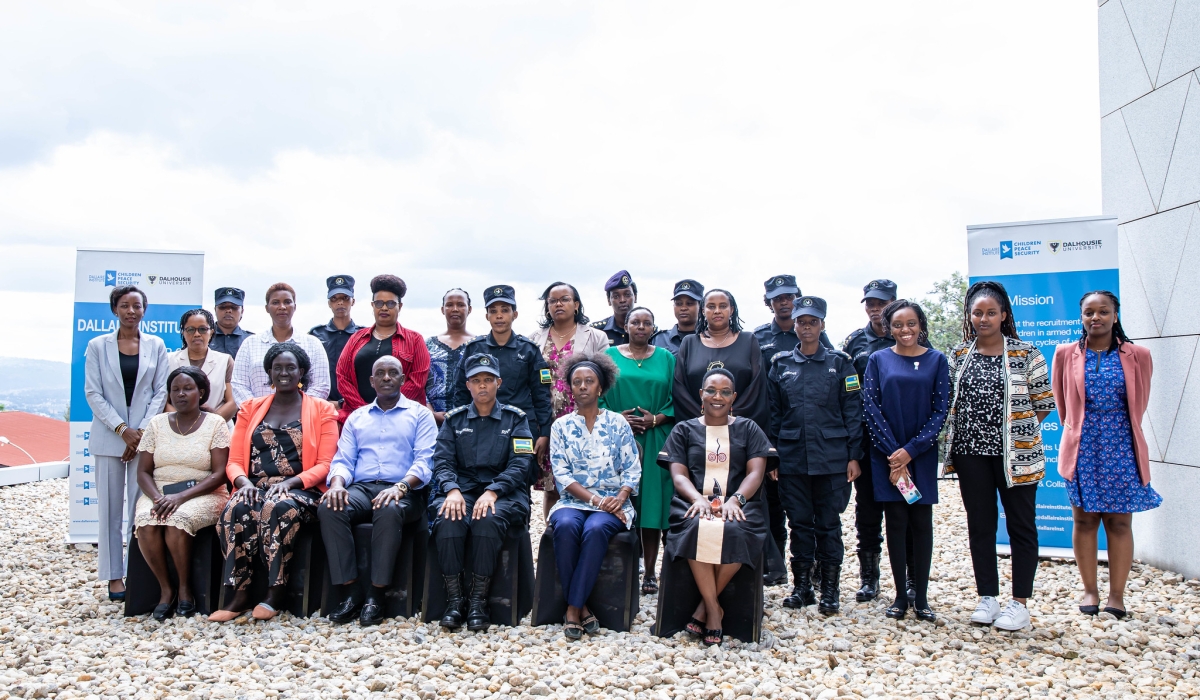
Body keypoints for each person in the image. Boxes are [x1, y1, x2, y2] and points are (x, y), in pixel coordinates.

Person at [943, 281, 1055, 632]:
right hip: (970, 454)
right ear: (970, 316)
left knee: (1022, 526)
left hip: (1017, 457)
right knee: (981, 525)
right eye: (978, 313)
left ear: (1004, 315)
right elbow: (949, 404)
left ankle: (1019, 603)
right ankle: (987, 597)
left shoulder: (1027, 353)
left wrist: (1014, 433)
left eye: (991, 312)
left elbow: (1044, 403)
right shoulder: (959, 355)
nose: (984, 318)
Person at [210, 342, 339, 622]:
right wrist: (243, 483)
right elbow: (234, 461)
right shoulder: (250, 409)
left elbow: (326, 464)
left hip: (301, 489)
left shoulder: (322, 410)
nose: (284, 372)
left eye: (290, 367)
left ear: (301, 371)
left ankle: (275, 591)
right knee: (236, 510)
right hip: (255, 485)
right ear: (269, 373)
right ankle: (240, 592)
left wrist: (291, 483)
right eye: (277, 368)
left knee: (277, 507)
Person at [1052, 291, 1158, 619]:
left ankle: (1117, 596)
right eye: (1088, 312)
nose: (1095, 317)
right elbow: (1062, 404)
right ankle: (1089, 590)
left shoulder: (1138, 355)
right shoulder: (1065, 354)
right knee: (1084, 520)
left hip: (1122, 446)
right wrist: (1077, 432)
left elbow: (1140, 401)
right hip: (1082, 447)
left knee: (1119, 522)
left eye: (1103, 311)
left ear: (1115, 315)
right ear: (1081, 317)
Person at [659, 368, 774, 647]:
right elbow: (678, 475)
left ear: (734, 397)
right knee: (697, 527)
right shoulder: (684, 429)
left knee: (738, 530)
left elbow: (756, 474)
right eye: (711, 390)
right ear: (701, 395)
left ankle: (704, 608)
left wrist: (736, 500)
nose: (717, 397)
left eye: (724, 392)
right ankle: (713, 610)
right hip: (693, 502)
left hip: (741, 503)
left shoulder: (748, 428)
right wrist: (697, 499)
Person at [319, 356, 436, 626]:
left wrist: (401, 486)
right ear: (371, 381)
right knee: (329, 506)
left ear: (403, 379)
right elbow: (344, 460)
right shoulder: (357, 417)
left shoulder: (420, 415)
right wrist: (336, 484)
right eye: (380, 373)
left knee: (388, 506)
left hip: (406, 490)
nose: (386, 377)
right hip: (362, 488)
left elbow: (425, 461)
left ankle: (376, 595)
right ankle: (351, 592)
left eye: (392, 373)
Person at [767, 296, 862, 616]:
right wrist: (773, 458)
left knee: (828, 524)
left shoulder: (840, 363)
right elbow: (774, 416)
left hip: (832, 459)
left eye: (812, 322)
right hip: (792, 458)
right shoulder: (780, 364)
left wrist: (854, 455)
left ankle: (830, 590)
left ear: (822, 325)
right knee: (799, 524)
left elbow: (852, 412)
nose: (806, 327)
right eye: (801, 322)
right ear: (793, 325)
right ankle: (802, 587)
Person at [431, 353, 535, 631]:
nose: (482, 386)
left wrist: (493, 491)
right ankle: (455, 601)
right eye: (476, 380)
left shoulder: (516, 419)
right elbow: (442, 462)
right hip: (462, 490)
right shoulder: (454, 420)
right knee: (449, 519)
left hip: (504, 493)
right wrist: (451, 490)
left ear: (498, 382)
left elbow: (520, 464)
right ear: (468, 385)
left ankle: (478, 602)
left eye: (488, 380)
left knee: (486, 519)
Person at [841, 279, 929, 603]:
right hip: (868, 442)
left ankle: (910, 580)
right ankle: (869, 578)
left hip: (905, 443)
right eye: (870, 304)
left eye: (881, 303)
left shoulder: (911, 338)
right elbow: (849, 394)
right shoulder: (854, 343)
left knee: (907, 507)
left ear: (894, 302)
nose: (875, 309)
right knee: (867, 511)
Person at [861, 300, 949, 622]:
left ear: (920, 325)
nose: (905, 330)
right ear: (888, 328)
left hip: (921, 456)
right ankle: (899, 597)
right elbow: (870, 407)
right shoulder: (877, 360)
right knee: (895, 523)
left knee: (921, 525)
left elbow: (940, 411)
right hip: (886, 456)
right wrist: (894, 454)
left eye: (911, 323)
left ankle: (921, 598)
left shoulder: (936, 360)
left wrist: (911, 450)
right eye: (898, 325)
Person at [84, 285, 170, 601]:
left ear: (144, 310)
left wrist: (141, 430)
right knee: (109, 511)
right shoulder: (97, 346)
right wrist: (123, 429)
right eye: (124, 305)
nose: (131, 311)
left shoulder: (156, 345)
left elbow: (162, 391)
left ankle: (137, 570)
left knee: (139, 509)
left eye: (136, 305)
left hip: (144, 440)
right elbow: (93, 393)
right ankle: (113, 576)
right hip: (110, 439)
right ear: (115, 309)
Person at [548, 353, 641, 639]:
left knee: (596, 528)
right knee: (564, 526)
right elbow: (562, 476)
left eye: (590, 381)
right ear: (570, 388)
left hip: (613, 502)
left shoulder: (618, 423)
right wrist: (596, 501)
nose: (583, 386)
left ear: (601, 387)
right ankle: (581, 606)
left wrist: (622, 495)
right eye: (577, 382)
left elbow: (632, 468)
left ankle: (573, 609)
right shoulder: (560, 427)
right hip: (574, 501)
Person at [133, 366, 231, 620]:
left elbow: (220, 473)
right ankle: (167, 590)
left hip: (204, 493)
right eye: (175, 389)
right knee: (146, 522)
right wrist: (157, 498)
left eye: (187, 388)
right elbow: (143, 472)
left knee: (177, 520)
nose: (181, 394)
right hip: (160, 492)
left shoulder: (215, 423)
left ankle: (186, 589)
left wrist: (180, 498)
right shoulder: (156, 424)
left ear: (201, 392)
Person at [752, 273, 831, 587]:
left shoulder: (817, 336)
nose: (784, 302)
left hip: (810, 439)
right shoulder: (757, 338)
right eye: (777, 298)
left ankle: (812, 567)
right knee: (772, 504)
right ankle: (776, 565)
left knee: (808, 509)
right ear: (768, 302)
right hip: (772, 434)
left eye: (788, 296)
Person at [601, 307, 676, 594]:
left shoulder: (666, 358)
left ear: (653, 327)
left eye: (647, 322)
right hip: (618, 437)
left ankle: (651, 572)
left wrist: (656, 418)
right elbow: (599, 395)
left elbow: (675, 397)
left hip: (657, 437)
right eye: (636, 322)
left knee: (653, 505)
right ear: (627, 326)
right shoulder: (610, 357)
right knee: (621, 498)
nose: (641, 326)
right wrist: (619, 418)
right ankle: (621, 567)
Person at [451, 286, 553, 477]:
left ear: (514, 314)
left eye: (505, 310)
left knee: (521, 479)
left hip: (520, 428)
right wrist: (458, 428)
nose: (499, 316)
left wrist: (544, 433)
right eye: (493, 311)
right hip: (480, 426)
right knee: (480, 479)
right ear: (486, 316)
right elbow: (461, 392)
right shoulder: (474, 348)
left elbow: (541, 395)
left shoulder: (529, 350)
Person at [528, 282, 609, 517]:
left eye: (564, 299)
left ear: (576, 304)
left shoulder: (596, 337)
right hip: (548, 423)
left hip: (582, 421)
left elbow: (603, 382)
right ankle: (554, 539)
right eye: (552, 301)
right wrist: (540, 428)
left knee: (585, 482)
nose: (558, 304)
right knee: (552, 487)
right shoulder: (534, 339)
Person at [335, 275, 431, 423]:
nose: (384, 308)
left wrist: (388, 408)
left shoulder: (415, 340)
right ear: (372, 306)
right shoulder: (356, 338)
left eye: (391, 304)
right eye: (379, 303)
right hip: (357, 417)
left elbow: (417, 382)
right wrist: (366, 410)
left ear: (400, 306)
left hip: (403, 418)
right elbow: (343, 377)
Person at [673, 289, 769, 431]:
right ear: (703, 311)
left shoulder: (748, 340)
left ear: (731, 310)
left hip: (741, 428)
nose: (717, 311)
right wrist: (705, 417)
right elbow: (680, 388)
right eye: (711, 306)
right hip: (697, 428)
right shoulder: (689, 343)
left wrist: (729, 417)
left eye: (723, 306)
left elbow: (757, 387)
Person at [231, 283, 330, 404]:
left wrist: (297, 409)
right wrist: (259, 410)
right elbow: (239, 385)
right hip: (256, 417)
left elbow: (321, 386)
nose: (282, 307)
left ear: (295, 306)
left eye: (287, 302)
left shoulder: (313, 344)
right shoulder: (250, 344)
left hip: (303, 417)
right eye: (275, 302)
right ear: (267, 308)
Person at [167, 309, 236, 424]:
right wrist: (183, 422)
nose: (197, 334)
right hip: (178, 428)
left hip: (217, 428)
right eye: (190, 329)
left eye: (203, 329)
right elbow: (164, 401)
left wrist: (209, 424)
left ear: (211, 332)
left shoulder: (225, 361)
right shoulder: (169, 360)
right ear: (183, 333)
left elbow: (233, 401)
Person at [310, 275, 363, 408]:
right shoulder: (315, 335)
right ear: (329, 303)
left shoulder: (363, 335)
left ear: (353, 301)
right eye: (334, 299)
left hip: (357, 405)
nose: (340, 303)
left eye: (345, 298)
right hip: (321, 405)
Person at [425, 288, 475, 425]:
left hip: (471, 422)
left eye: (460, 304)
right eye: (449, 305)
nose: (455, 309)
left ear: (469, 309)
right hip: (431, 422)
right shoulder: (427, 345)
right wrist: (431, 414)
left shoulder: (479, 344)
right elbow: (419, 383)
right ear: (442, 309)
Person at [650, 279, 704, 354]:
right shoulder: (660, 339)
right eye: (679, 303)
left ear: (701, 306)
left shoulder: (710, 337)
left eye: (689, 303)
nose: (683, 308)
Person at [591, 270, 637, 346]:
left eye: (627, 295)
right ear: (609, 300)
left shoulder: (647, 331)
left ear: (635, 297)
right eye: (616, 296)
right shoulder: (597, 331)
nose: (622, 300)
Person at [210, 287, 253, 360]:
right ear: (215, 310)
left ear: (242, 311)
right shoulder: (204, 338)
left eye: (234, 307)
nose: (228, 311)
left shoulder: (251, 340)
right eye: (223, 307)